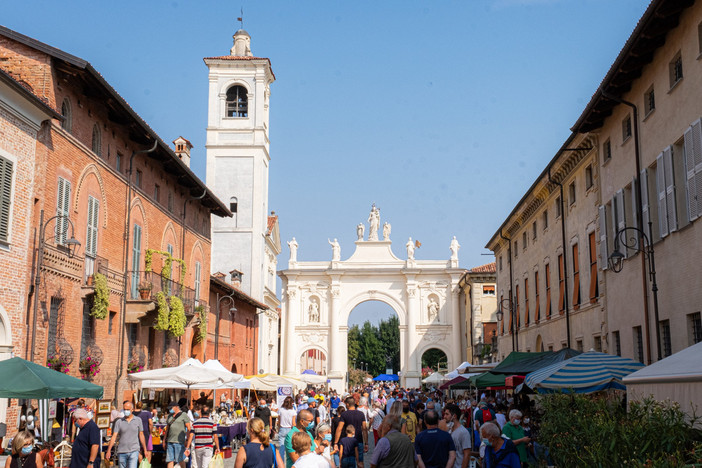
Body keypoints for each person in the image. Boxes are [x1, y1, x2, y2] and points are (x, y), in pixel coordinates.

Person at [106, 401, 149, 468]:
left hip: (134, 450)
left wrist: (145, 449)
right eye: (124, 409)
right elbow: (114, 436)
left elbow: (141, 435)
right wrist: (109, 450)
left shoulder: (138, 420)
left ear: (132, 409)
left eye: (128, 409)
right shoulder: (119, 422)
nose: (126, 411)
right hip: (122, 451)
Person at [333, 398, 367, 466]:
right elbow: (364, 428)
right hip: (359, 440)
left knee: (348, 461)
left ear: (347, 404)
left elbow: (339, 429)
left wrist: (335, 442)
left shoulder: (344, 414)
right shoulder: (361, 414)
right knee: (360, 462)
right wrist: (366, 443)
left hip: (348, 441)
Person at [163, 401, 192, 468]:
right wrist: (164, 440)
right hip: (170, 441)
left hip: (179, 442)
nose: (170, 409)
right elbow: (167, 429)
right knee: (170, 460)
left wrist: (187, 440)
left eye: (171, 408)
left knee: (181, 460)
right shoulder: (169, 416)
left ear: (176, 407)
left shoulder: (183, 415)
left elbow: (188, 428)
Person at [443, 404, 472, 468]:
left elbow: (466, 454)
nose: (444, 416)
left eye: (447, 414)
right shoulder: (449, 429)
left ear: (454, 416)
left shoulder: (463, 432)